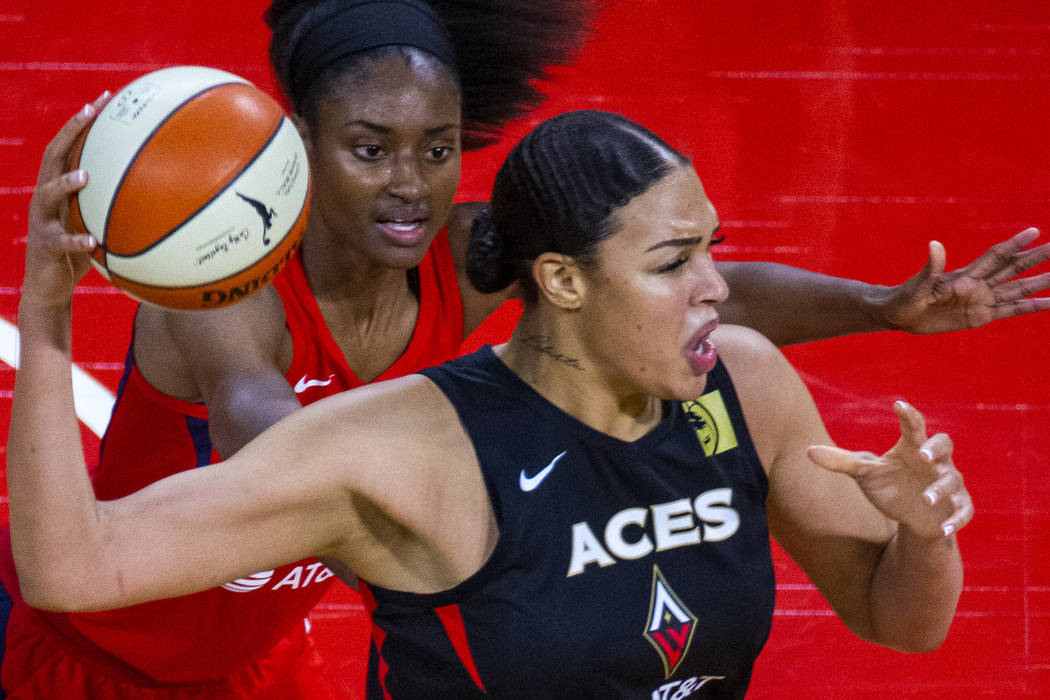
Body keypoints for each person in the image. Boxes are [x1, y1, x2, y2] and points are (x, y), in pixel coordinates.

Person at [3, 0, 1047, 696]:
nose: (411, 182)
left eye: (440, 149)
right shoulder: (235, 294)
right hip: (96, 654)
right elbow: (264, 431)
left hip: (259, 662)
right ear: (299, 147)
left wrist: (881, 303)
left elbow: (677, 285)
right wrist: (429, 510)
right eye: (370, 150)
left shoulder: (467, 258)